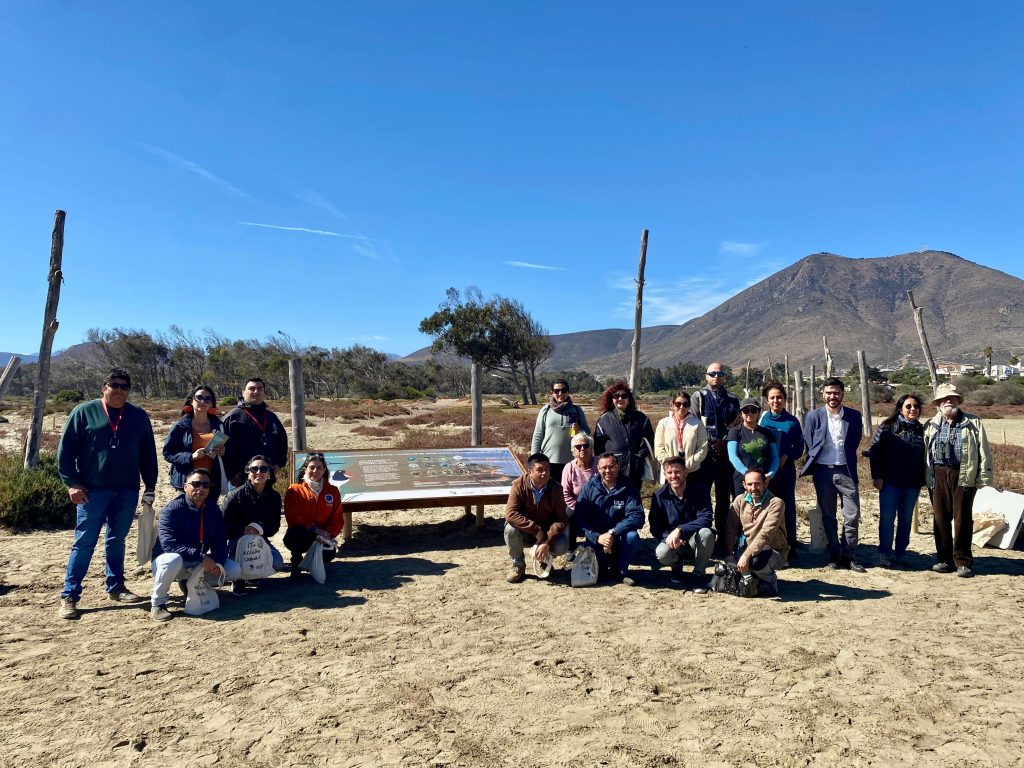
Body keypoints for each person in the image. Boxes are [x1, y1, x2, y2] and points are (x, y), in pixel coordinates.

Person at [56, 368, 158, 620]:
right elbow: (66, 452)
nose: (120, 390)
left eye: (125, 386)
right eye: (115, 385)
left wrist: (151, 486)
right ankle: (70, 595)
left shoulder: (137, 416)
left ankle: (116, 586)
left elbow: (148, 454)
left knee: (117, 540)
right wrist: (72, 483)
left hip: (126, 490)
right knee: (84, 542)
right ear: (104, 387)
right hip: (92, 491)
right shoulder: (84, 411)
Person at [149, 468, 242, 621]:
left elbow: (220, 539)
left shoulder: (213, 509)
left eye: (205, 485)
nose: (201, 489)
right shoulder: (171, 510)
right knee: (173, 559)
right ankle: (158, 604)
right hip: (168, 563)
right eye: (196, 484)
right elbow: (170, 545)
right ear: (185, 486)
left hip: (197, 562)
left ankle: (189, 585)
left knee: (234, 570)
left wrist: (217, 562)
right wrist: (202, 558)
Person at [923, 383, 993, 577]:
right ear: (938, 403)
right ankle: (943, 559)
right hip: (937, 474)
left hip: (964, 473)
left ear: (958, 401)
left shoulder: (973, 422)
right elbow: (924, 452)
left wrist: (984, 476)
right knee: (940, 518)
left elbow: (983, 451)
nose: (948, 401)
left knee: (962, 519)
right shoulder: (930, 424)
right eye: (944, 399)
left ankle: (963, 561)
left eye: (952, 398)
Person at [800, 377, 866, 572]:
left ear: (842, 394)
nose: (832, 396)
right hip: (823, 472)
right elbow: (810, 443)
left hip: (846, 471)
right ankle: (834, 554)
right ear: (823, 394)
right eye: (828, 393)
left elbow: (854, 441)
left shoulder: (853, 416)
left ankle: (849, 555)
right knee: (828, 516)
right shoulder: (813, 417)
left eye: (836, 392)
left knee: (852, 515)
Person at [867, 393, 927, 568]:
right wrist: (876, 476)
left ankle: (901, 554)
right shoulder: (888, 427)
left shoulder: (922, 430)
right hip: (889, 482)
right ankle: (884, 553)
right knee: (887, 518)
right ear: (900, 408)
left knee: (906, 519)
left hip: (912, 484)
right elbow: (874, 452)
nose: (912, 409)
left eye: (916, 406)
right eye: (908, 406)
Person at [689, 362, 742, 545]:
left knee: (723, 498)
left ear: (725, 377)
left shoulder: (733, 399)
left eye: (720, 373)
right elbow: (695, 422)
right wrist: (713, 442)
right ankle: (701, 538)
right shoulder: (698, 397)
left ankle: (722, 538)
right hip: (704, 456)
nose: (716, 377)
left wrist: (724, 442)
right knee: (701, 496)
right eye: (712, 373)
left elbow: (736, 424)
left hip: (725, 456)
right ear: (706, 376)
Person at [574, 453, 645, 585]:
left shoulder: (628, 486)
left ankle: (621, 571)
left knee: (632, 537)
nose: (608, 471)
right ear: (598, 469)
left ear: (617, 467)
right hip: (597, 538)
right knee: (599, 573)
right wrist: (597, 536)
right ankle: (604, 567)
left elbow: (637, 516)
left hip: (619, 536)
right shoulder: (589, 487)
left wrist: (613, 532)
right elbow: (580, 517)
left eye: (611, 467)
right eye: (604, 467)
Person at [649, 456, 715, 592]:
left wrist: (680, 530)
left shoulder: (700, 490)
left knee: (707, 533)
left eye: (677, 472)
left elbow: (706, 518)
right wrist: (668, 538)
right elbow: (655, 526)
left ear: (686, 471)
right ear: (665, 475)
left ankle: (699, 575)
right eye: (670, 473)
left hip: (694, 542)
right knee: (662, 553)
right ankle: (676, 568)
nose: (674, 476)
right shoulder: (659, 496)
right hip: (673, 543)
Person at [221, 454, 285, 593]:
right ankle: (238, 579)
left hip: (259, 539)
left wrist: (258, 528)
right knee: (237, 563)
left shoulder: (274, 497)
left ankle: (252, 575)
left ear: (269, 473)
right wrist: (242, 530)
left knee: (277, 563)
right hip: (235, 541)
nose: (258, 472)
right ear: (248, 473)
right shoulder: (234, 495)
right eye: (254, 469)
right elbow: (222, 524)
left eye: (263, 469)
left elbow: (274, 526)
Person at [504, 453, 570, 583]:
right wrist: (536, 530)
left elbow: (561, 519)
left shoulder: (556, 489)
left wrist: (546, 541)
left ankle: (545, 560)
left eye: (547, 469)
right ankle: (518, 565)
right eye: (540, 470)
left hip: (546, 532)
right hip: (525, 532)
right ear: (530, 472)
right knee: (510, 529)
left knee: (562, 544)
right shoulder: (518, 486)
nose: (544, 473)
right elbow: (511, 514)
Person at [724, 468, 790, 597]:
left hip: (774, 550)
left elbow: (766, 534)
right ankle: (755, 579)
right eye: (750, 484)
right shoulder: (739, 500)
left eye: (757, 483)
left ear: (765, 483)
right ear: (744, 485)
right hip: (748, 548)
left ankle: (770, 583)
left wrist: (746, 556)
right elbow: (730, 528)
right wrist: (729, 554)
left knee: (755, 561)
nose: (754, 487)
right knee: (735, 563)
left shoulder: (776, 503)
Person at [758, 381, 804, 565]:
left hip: (785, 472)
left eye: (779, 397)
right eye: (772, 398)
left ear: (785, 399)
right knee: (766, 507)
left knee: (787, 508)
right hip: (766, 471)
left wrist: (787, 455)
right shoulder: (762, 419)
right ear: (767, 400)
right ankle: (769, 544)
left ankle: (790, 546)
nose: (776, 401)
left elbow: (799, 447)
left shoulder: (792, 422)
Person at [283, 452, 345, 578]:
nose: (315, 471)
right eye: (312, 467)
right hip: (303, 533)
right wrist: (314, 530)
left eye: (319, 468)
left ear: (324, 471)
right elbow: (292, 516)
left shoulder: (332, 491)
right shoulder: (294, 489)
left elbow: (337, 518)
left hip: (323, 534)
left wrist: (328, 532)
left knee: (329, 553)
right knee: (295, 537)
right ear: (305, 469)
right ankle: (297, 561)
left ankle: (314, 563)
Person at [222, 378, 288, 490]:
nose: (256, 392)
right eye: (251, 388)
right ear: (243, 392)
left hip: (266, 475)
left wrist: (278, 464)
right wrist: (231, 473)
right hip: (239, 479)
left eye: (260, 389)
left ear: (264, 393)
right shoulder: (231, 417)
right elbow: (218, 447)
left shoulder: (271, 417)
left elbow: (282, 442)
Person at [162, 385, 228, 498]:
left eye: (207, 398)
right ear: (192, 401)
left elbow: (230, 452)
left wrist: (223, 452)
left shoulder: (220, 426)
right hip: (188, 483)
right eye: (199, 397)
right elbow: (168, 453)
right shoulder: (181, 426)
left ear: (211, 403)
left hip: (211, 483)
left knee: (208, 514)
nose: (203, 401)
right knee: (188, 514)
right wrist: (191, 456)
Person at [593, 381, 655, 489]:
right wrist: (607, 464)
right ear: (612, 399)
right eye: (616, 396)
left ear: (629, 399)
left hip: (635, 471)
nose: (620, 399)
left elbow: (649, 440)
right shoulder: (603, 421)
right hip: (612, 472)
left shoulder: (641, 418)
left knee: (633, 501)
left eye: (624, 396)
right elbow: (598, 449)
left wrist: (639, 456)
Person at [531, 379, 589, 481]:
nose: (560, 393)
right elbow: (537, 436)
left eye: (563, 390)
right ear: (552, 393)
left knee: (569, 494)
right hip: (548, 462)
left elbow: (587, 433)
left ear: (568, 392)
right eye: (557, 391)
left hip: (572, 461)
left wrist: (580, 430)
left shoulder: (576, 410)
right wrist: (534, 460)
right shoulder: (545, 410)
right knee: (550, 494)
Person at [726, 397, 779, 497]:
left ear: (758, 412)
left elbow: (775, 457)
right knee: (743, 510)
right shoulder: (735, 432)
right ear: (741, 413)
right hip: (743, 481)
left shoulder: (767, 433)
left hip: (765, 481)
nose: (749, 414)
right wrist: (748, 475)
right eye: (746, 411)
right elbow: (732, 456)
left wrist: (769, 475)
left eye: (753, 410)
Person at [653, 390, 709, 484]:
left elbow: (702, 449)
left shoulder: (698, 424)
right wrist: (673, 467)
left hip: (692, 472)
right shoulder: (663, 423)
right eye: (678, 404)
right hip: (671, 473)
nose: (681, 407)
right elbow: (659, 449)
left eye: (685, 404)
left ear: (689, 406)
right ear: (672, 405)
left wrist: (686, 466)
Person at [561, 432, 597, 554]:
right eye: (578, 446)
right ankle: (570, 548)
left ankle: (592, 545)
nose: (582, 449)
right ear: (573, 450)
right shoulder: (569, 468)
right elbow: (566, 493)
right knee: (570, 515)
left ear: (591, 448)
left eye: (586, 445)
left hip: (598, 504)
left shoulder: (599, 464)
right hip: (576, 504)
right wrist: (579, 507)